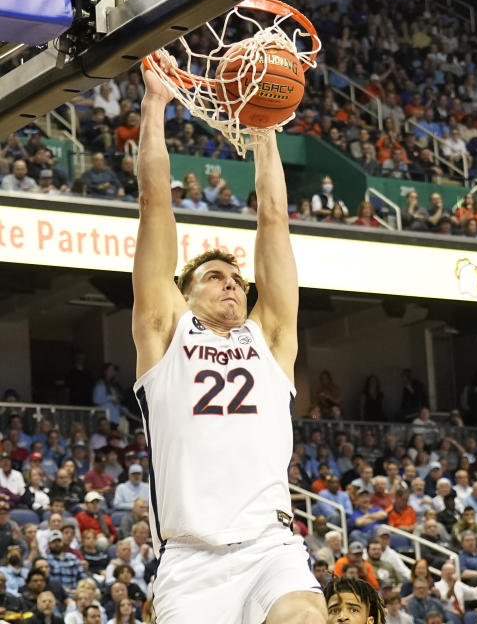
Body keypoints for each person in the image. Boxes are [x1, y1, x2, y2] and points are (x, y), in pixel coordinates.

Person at [129, 64, 325, 623]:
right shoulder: (164, 334)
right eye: (214, 276)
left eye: (235, 278)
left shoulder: (270, 337)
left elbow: (274, 219)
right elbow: (154, 206)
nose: (231, 282)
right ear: (183, 295)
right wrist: (154, 106)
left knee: (307, 614)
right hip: (191, 560)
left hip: (271, 546)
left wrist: (263, 131)